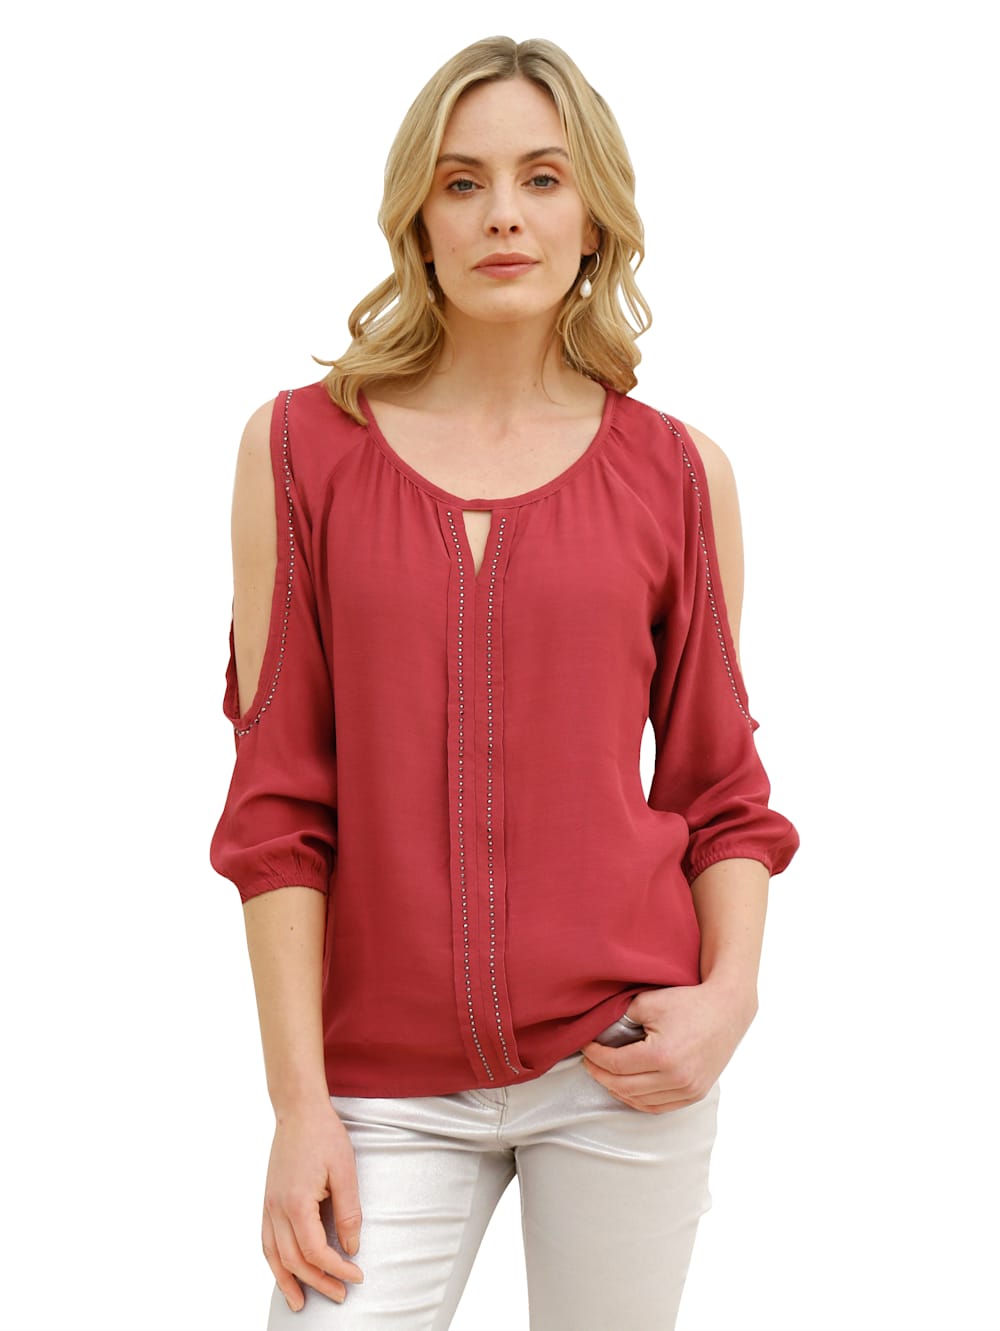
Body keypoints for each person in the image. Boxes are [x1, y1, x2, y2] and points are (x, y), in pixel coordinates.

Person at [210, 34, 800, 1331]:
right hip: (380, 1087)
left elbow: (720, 789)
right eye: (462, 182)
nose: (503, 216)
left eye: (542, 177)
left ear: (595, 216)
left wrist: (730, 1001)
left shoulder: (678, 474)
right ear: (418, 220)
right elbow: (276, 806)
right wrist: (299, 1108)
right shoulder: (300, 450)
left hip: (623, 1063)